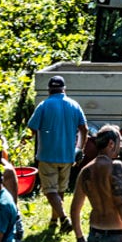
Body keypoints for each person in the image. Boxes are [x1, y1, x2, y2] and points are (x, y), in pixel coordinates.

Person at [28, 75, 88, 231]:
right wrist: (79, 148)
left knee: (50, 191)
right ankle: (54, 221)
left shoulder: (44, 105)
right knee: (60, 190)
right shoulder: (74, 105)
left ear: (49, 90)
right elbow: (84, 129)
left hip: (47, 155)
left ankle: (63, 218)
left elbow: (32, 129)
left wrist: (21, 143)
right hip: (67, 156)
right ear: (64, 89)